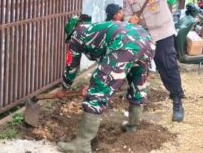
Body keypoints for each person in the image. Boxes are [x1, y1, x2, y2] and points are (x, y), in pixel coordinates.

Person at [56, 16, 153, 153]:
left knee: (97, 92)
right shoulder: (96, 28)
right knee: (137, 85)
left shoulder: (76, 36)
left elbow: (72, 66)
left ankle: (82, 145)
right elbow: (109, 63)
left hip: (124, 44)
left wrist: (64, 88)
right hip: (145, 39)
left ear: (71, 32)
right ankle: (132, 126)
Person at [117, 0, 185, 122]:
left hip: (163, 32)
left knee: (167, 66)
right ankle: (136, 103)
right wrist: (130, 20)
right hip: (144, 35)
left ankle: (177, 101)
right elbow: (126, 14)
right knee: (138, 67)